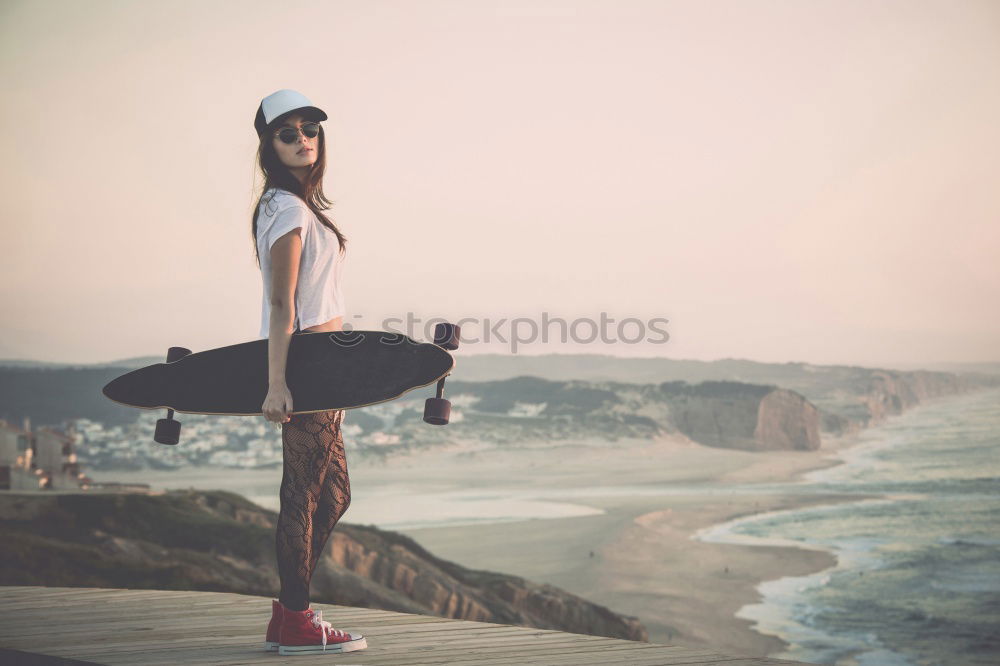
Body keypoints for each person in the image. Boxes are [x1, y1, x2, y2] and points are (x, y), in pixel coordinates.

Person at [251, 89, 367, 656]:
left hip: (326, 368)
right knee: (304, 495)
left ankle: (287, 613)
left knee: (334, 494)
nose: (304, 140)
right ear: (268, 146)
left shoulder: (291, 205)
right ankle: (297, 619)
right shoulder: (288, 210)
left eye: (310, 129)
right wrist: (278, 384)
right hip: (309, 368)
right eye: (288, 133)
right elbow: (281, 303)